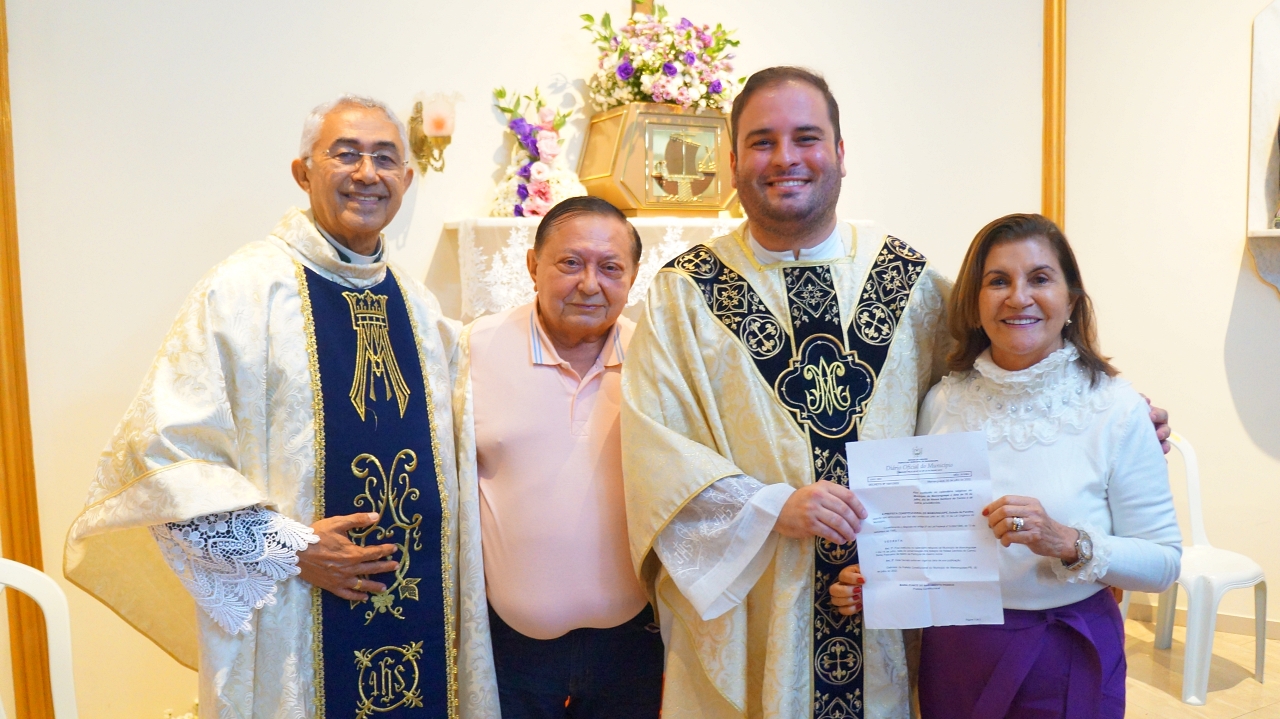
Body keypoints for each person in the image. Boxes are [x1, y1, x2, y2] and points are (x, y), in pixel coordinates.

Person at [64, 95, 496, 717]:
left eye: (385, 158)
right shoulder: (245, 290)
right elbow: (163, 455)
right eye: (345, 154)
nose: (367, 174)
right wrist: (289, 547)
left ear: (406, 178)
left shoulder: (421, 308)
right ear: (303, 172)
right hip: (295, 615)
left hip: (421, 606)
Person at [620, 66, 951, 719]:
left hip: (881, 603)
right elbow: (654, 450)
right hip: (751, 613)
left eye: (806, 136)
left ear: (841, 153)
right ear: (734, 160)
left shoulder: (908, 282)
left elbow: (985, 395)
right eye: (763, 141)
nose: (786, 158)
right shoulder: (686, 291)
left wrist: (1101, 407)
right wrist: (772, 508)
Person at [830, 213, 1182, 718]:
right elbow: (925, 538)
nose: (1018, 297)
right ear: (975, 303)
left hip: (1067, 651)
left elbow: (1164, 563)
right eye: (998, 281)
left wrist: (1066, 541)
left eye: (1040, 278)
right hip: (958, 655)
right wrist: (881, 583)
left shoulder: (1117, 408)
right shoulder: (942, 401)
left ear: (1071, 300)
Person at [453, 196, 664, 718]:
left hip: (631, 642)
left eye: (611, 268)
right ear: (533, 266)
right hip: (512, 647)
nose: (590, 284)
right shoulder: (472, 350)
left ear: (633, 277)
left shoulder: (656, 361)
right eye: (570, 263)